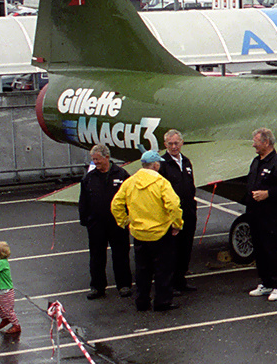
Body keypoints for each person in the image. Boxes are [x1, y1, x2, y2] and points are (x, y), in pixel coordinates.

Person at [110, 150, 184, 312]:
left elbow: (116, 204)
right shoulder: (161, 183)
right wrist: (177, 224)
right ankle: (162, 301)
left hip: (139, 233)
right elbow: (173, 205)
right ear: (156, 165)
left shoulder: (130, 182)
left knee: (142, 270)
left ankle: (142, 301)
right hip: (160, 232)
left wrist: (124, 221)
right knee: (163, 269)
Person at [78, 144, 132, 299]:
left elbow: (130, 199)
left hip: (117, 224)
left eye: (98, 159)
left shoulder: (122, 174)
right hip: (96, 225)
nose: (95, 162)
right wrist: (85, 220)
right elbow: (84, 201)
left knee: (121, 255)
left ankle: (124, 285)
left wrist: (128, 220)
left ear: (107, 157)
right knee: (96, 256)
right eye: (93, 160)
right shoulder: (89, 178)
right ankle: (97, 287)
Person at [246, 127, 277, 301]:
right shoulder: (257, 161)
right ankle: (266, 283)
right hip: (256, 216)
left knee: (274, 251)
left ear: (266, 142)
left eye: (256, 142)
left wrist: (268, 193)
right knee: (260, 251)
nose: (253, 145)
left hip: (272, 217)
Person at [157, 129, 197, 293]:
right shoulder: (162, 164)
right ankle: (170, 284)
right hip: (171, 214)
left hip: (188, 211)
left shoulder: (186, 162)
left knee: (185, 248)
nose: (174, 146)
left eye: (176, 143)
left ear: (182, 143)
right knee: (171, 251)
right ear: (165, 144)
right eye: (170, 144)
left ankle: (181, 280)